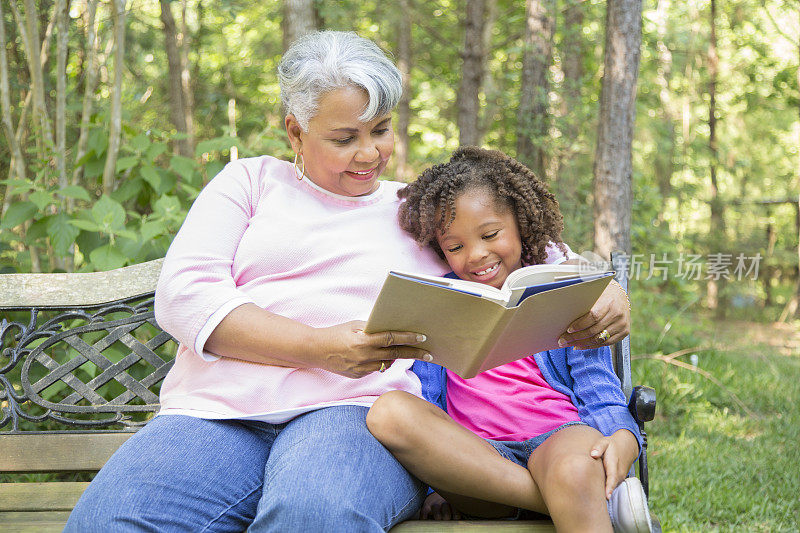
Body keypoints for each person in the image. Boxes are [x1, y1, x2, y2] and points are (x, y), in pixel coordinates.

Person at [66, 32, 632, 532]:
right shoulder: (247, 183)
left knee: (315, 517)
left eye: (381, 130)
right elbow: (185, 294)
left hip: (357, 414)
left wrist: (604, 289)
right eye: (345, 138)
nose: (370, 154)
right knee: (108, 522)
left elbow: (532, 255)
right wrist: (319, 348)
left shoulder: (416, 208)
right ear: (295, 130)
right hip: (215, 415)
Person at [367, 147, 653, 532]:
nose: (476, 255)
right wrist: (436, 486)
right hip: (475, 460)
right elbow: (427, 398)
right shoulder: (437, 300)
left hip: (559, 438)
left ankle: (573, 485)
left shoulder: (559, 286)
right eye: (455, 246)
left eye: (490, 234)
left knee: (573, 465)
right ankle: (577, 496)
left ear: (520, 222)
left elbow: (597, 382)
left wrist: (623, 433)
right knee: (390, 411)